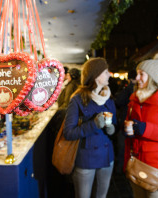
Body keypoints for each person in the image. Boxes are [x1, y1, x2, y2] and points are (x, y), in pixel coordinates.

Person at [123, 53, 158, 198]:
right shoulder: (134, 100)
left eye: (141, 74)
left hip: (154, 166)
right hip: (134, 162)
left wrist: (146, 129)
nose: (137, 78)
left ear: (152, 77)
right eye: (137, 74)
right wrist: (127, 129)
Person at [63, 57, 117, 198]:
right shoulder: (77, 99)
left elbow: (114, 124)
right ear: (96, 75)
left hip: (107, 158)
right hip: (86, 158)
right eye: (105, 72)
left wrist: (112, 129)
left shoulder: (109, 98)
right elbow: (68, 133)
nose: (109, 74)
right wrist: (93, 125)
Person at [114, 69, 137, 173]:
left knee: (123, 145)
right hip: (137, 123)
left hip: (126, 120)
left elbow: (118, 101)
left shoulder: (129, 89)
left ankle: (121, 167)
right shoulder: (143, 88)